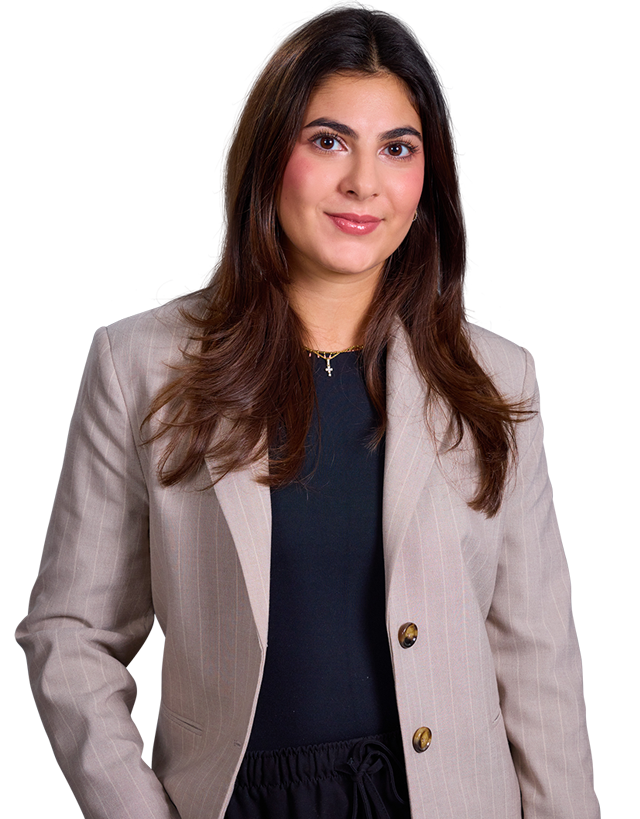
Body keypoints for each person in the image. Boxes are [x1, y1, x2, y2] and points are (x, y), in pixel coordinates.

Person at [15, 1, 599, 817]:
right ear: (268, 155)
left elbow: (540, 660)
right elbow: (70, 631)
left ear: (426, 175)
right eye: (328, 141)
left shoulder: (498, 380)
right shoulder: (140, 365)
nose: (363, 182)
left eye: (397, 148)